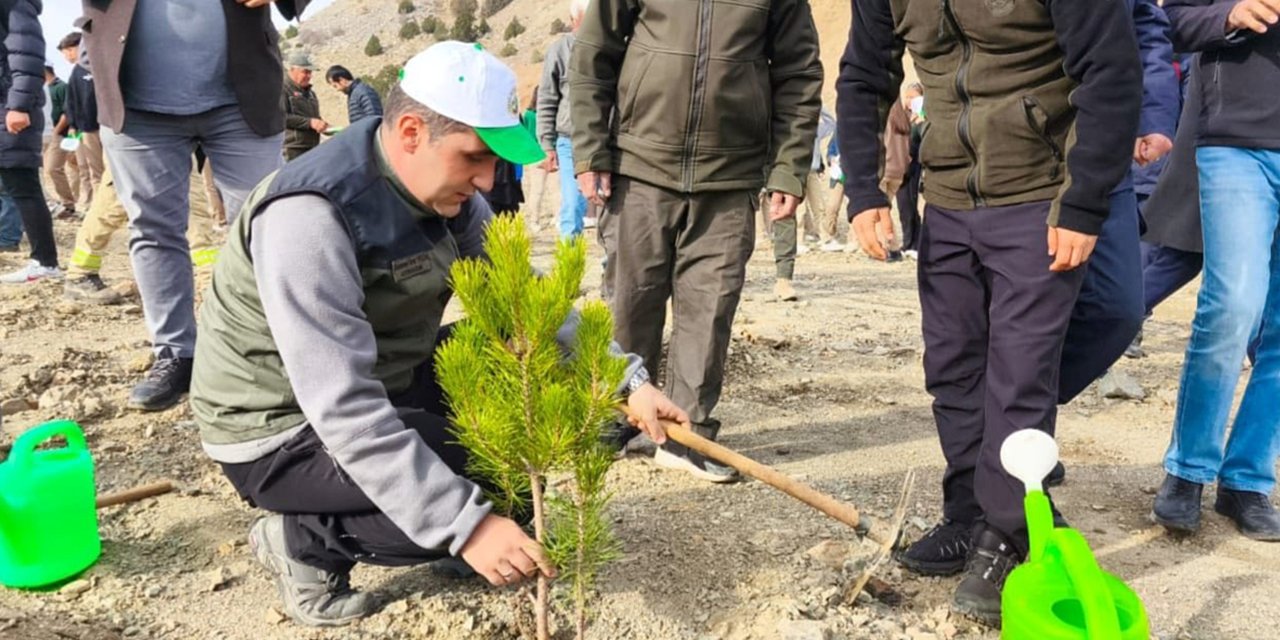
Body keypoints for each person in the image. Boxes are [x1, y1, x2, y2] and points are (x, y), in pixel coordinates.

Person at [190, 42, 689, 627]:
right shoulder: (310, 215)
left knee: (547, 431)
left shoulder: (450, 201)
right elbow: (343, 407)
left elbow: (527, 303)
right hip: (281, 428)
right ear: (409, 132)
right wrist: (467, 525)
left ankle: (451, 515)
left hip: (383, 380)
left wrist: (626, 382)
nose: (486, 181)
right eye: (475, 157)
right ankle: (304, 540)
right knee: (477, 492)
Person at [838, 0, 1141, 623]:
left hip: (1038, 192)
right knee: (954, 366)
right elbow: (864, 76)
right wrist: (866, 191)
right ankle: (969, 512)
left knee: (1020, 372)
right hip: (946, 196)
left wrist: (1082, 203)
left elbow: (1108, 71)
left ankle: (1007, 533)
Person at [571, 0, 823, 483]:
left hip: (730, 176)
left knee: (710, 308)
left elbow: (799, 73)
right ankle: (615, 417)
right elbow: (594, 54)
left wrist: (788, 170)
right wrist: (589, 149)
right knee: (629, 299)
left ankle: (689, 434)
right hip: (639, 165)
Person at [81, 0, 305, 411]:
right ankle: (175, 354)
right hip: (134, 100)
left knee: (266, 226)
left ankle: (268, 351)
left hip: (242, 97)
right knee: (152, 228)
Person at [1151, 0, 1280, 542]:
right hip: (1236, 142)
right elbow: (1171, 20)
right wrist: (1228, 13)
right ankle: (1188, 470)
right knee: (1232, 306)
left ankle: (1247, 479)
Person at [64, 155, 224, 305]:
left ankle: (210, 281)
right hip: (134, 140)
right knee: (111, 207)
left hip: (176, 140)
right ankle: (80, 274)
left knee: (194, 209)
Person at [0, 0, 60, 285]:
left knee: (21, 184)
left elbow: (27, 52)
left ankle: (45, 261)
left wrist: (19, 104)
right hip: (7, 105)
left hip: (9, 108)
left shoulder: (14, 4)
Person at [537, 0, 591, 239]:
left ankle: (611, 268)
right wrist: (547, 145)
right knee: (572, 203)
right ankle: (569, 266)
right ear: (574, 21)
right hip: (569, 141)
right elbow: (547, 99)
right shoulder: (559, 51)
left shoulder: (614, 49)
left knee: (615, 208)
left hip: (608, 139)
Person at [60, 32, 105, 215]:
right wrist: (73, 127)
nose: (67, 56)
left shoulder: (101, 65)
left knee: (113, 169)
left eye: (68, 51)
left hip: (109, 126)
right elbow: (72, 103)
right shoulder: (76, 73)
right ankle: (95, 207)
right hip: (86, 129)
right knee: (90, 170)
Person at [43, 64, 76, 217]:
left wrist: (56, 131)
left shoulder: (61, 87)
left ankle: (68, 204)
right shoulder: (45, 88)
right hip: (46, 134)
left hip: (63, 133)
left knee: (54, 168)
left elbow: (67, 112)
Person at [283, 52, 326, 160]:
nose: (309, 76)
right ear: (292, 70)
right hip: (292, 151)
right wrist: (309, 123)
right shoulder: (281, 89)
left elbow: (314, 119)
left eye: (310, 72)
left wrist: (323, 126)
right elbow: (280, 117)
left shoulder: (311, 94)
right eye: (305, 72)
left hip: (312, 149)